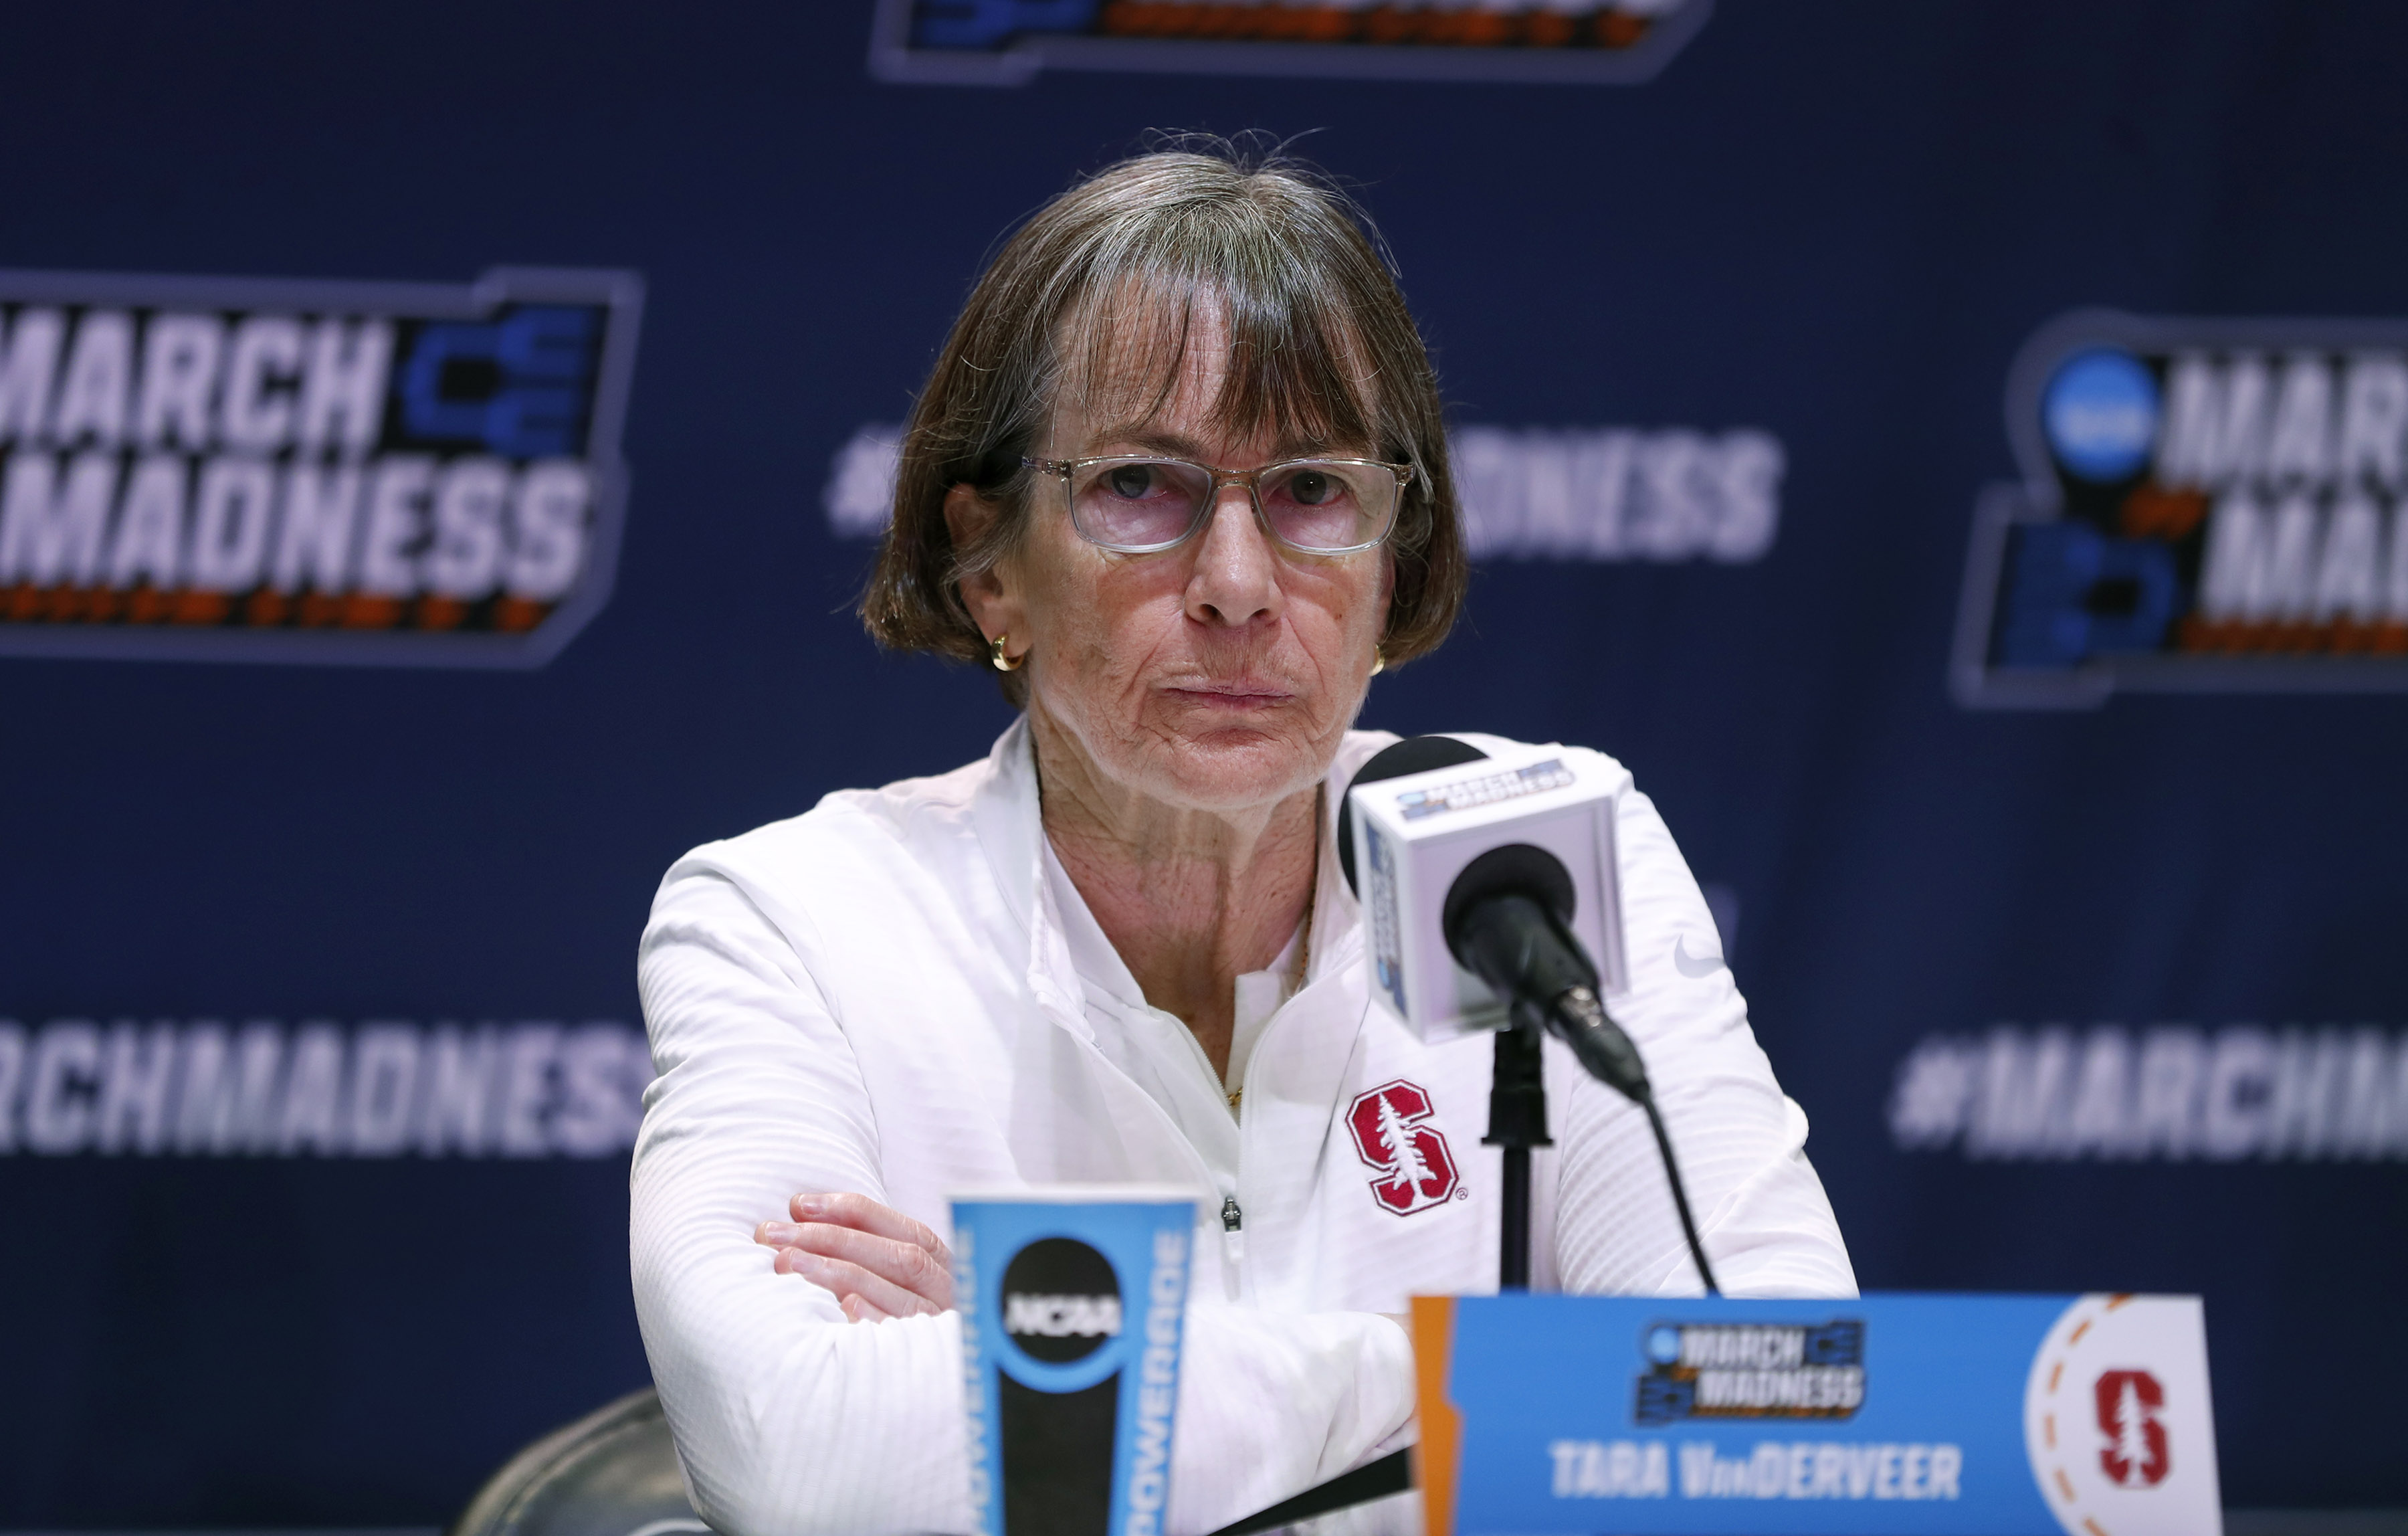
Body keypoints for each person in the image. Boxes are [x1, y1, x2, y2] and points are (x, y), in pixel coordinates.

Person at [629, 142, 1853, 1536]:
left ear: (1393, 562)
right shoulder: (796, 919)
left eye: (1313, 491)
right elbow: (794, 1450)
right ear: (990, 566)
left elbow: (1781, 1418)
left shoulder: (1539, 860)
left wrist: (1052, 1377)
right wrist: (1530, 1378)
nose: (1236, 584)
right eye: (1141, 486)